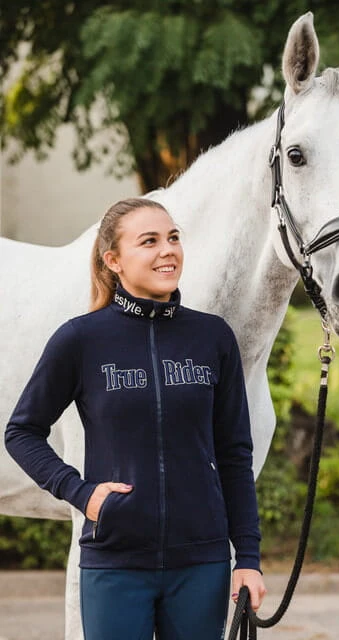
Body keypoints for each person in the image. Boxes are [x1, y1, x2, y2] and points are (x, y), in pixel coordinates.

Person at [5, 197, 266, 639]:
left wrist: (248, 558)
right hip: (115, 564)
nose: (168, 250)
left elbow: (234, 454)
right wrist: (81, 494)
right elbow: (22, 432)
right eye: (149, 241)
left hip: (201, 564)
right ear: (114, 260)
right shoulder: (80, 340)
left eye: (173, 238)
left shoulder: (212, 338)